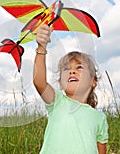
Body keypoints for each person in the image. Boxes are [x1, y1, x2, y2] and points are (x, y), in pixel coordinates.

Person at [33, 24, 108, 154]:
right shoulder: (57, 102)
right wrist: (41, 47)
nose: (71, 71)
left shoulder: (99, 118)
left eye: (79, 68)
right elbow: (39, 82)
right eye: (66, 69)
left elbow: (101, 150)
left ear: (93, 81)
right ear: (61, 84)